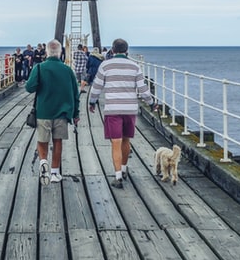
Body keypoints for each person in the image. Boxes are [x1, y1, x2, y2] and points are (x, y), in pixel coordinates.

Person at [87, 38, 154, 188]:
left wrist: (92, 102)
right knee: (126, 140)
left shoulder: (105, 65)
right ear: (127, 51)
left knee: (115, 142)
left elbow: (97, 87)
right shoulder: (135, 66)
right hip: (130, 109)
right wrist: (151, 103)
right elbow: (143, 89)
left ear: (112, 50)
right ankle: (124, 168)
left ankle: (117, 177)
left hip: (113, 109)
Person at [24, 39, 80, 184]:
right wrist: (76, 114)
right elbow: (75, 93)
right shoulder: (68, 70)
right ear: (60, 52)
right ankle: (55, 173)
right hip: (62, 112)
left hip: (43, 111)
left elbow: (29, 88)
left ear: (47, 52)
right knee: (57, 141)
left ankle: (43, 161)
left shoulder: (40, 68)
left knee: (42, 140)